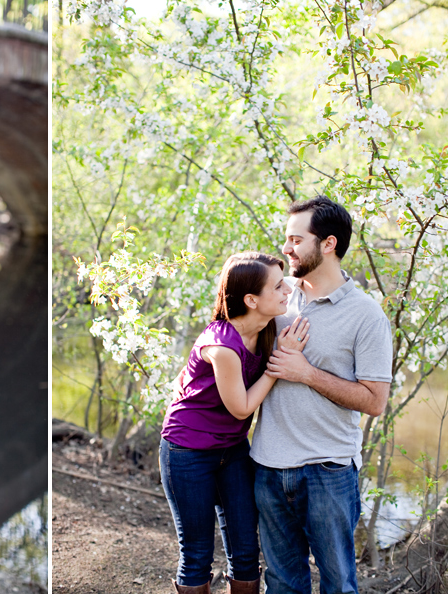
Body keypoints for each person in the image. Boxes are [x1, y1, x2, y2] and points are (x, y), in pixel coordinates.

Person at [251, 196, 393, 594]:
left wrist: (307, 374)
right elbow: (228, 335)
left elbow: (375, 402)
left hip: (328, 470)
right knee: (281, 583)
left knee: (338, 584)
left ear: (328, 244)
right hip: (267, 465)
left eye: (296, 240)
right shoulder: (276, 297)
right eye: (287, 239)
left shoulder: (366, 315)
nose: (286, 248)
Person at [161, 252, 311, 594]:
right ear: (251, 299)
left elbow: (303, 289)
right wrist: (279, 365)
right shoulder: (223, 346)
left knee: (245, 550)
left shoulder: (268, 326)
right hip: (188, 452)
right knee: (197, 553)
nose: (286, 291)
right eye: (277, 286)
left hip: (232, 450)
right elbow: (241, 408)